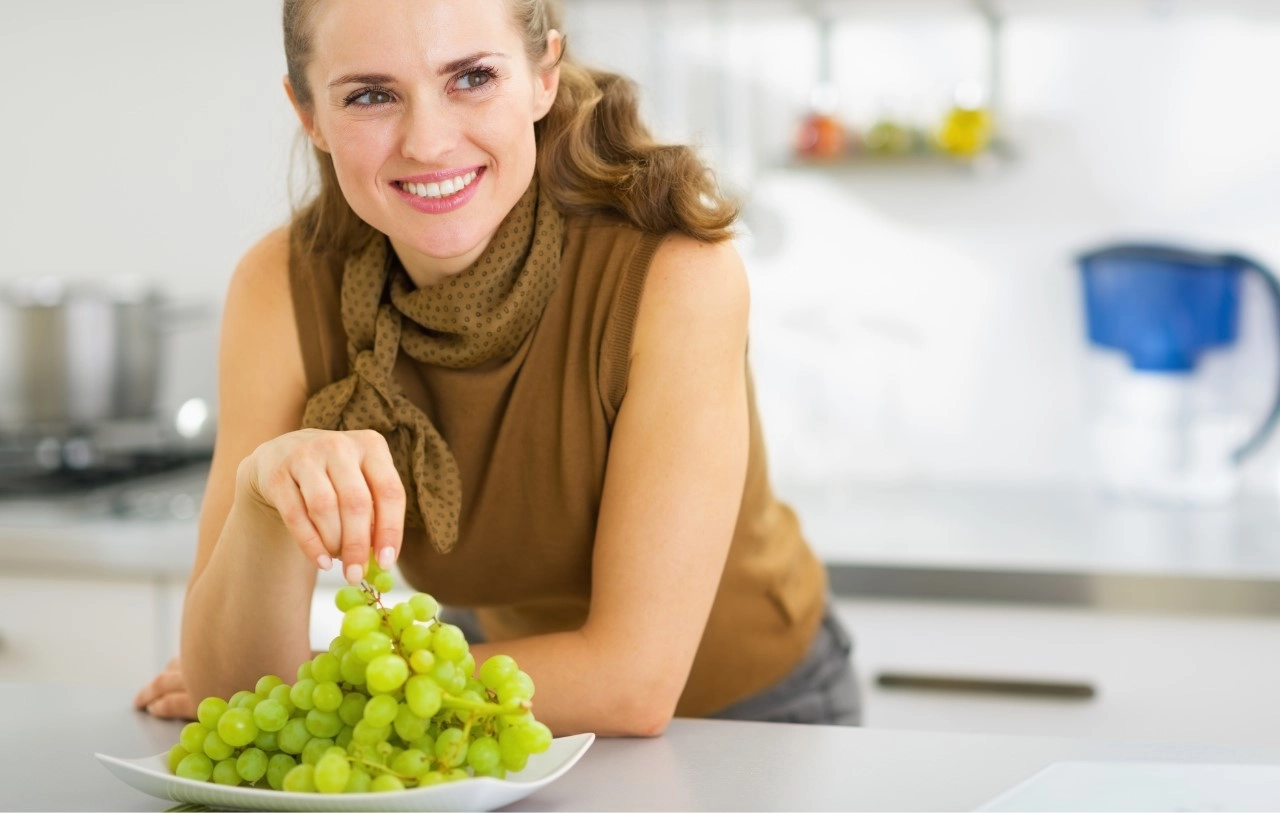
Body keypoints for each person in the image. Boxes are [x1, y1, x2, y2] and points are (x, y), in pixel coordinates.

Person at [133, 0, 860, 735]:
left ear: (544, 74)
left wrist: (329, 680)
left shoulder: (674, 273)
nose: (429, 141)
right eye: (371, 95)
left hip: (753, 718)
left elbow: (632, 683)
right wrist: (265, 494)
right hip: (493, 700)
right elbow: (230, 687)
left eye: (473, 77)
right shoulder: (279, 286)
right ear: (309, 113)